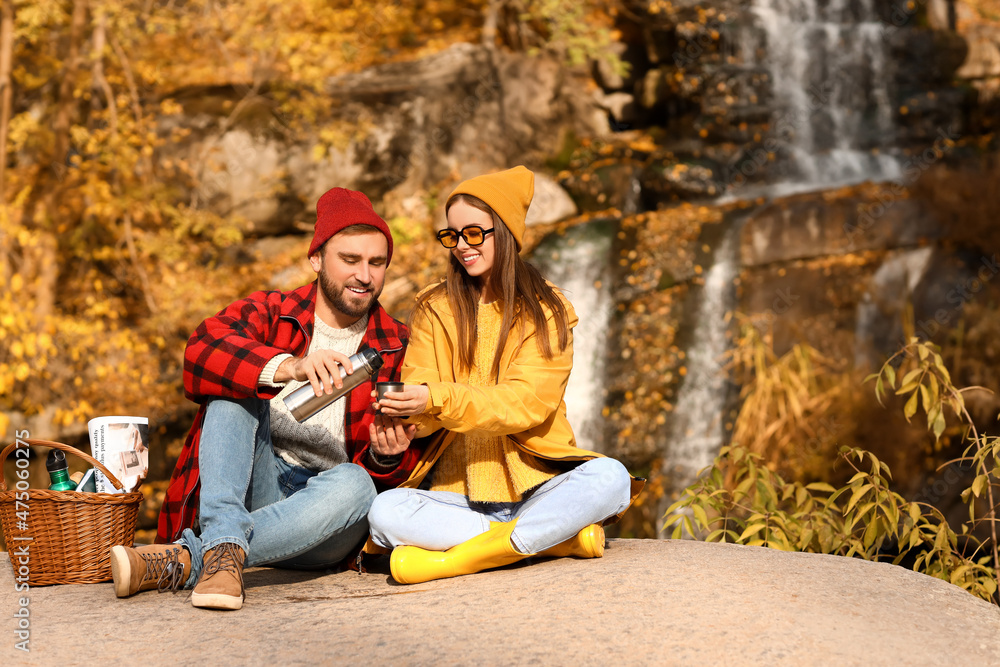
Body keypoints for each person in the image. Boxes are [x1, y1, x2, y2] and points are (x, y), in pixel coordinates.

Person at [110, 187, 415, 610]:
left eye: (376, 263)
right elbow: (200, 350)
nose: (365, 275)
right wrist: (287, 366)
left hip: (326, 515)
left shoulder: (396, 343)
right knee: (232, 388)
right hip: (256, 482)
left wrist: (387, 457)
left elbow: (395, 480)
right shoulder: (273, 311)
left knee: (358, 484)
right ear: (316, 259)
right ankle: (220, 553)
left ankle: (189, 557)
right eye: (350, 260)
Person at [366, 166, 643, 584]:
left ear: (507, 232)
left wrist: (434, 399)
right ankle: (552, 541)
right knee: (385, 513)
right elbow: (424, 408)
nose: (461, 246)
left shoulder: (547, 311)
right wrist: (408, 420)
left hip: (538, 490)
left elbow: (524, 404)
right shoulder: (432, 308)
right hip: (455, 499)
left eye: (474, 233)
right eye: (453, 235)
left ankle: (460, 560)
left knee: (612, 478)